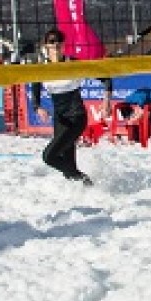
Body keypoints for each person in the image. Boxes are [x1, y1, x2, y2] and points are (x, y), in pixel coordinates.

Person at [29, 28, 109, 186]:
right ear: (46, 46)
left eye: (59, 41)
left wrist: (106, 100)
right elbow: (35, 90)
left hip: (77, 117)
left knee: (48, 157)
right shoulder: (42, 68)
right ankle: (87, 188)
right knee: (68, 168)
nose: (55, 44)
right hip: (60, 119)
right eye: (52, 41)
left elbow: (105, 78)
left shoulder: (73, 64)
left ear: (64, 44)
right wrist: (38, 108)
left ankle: (89, 184)